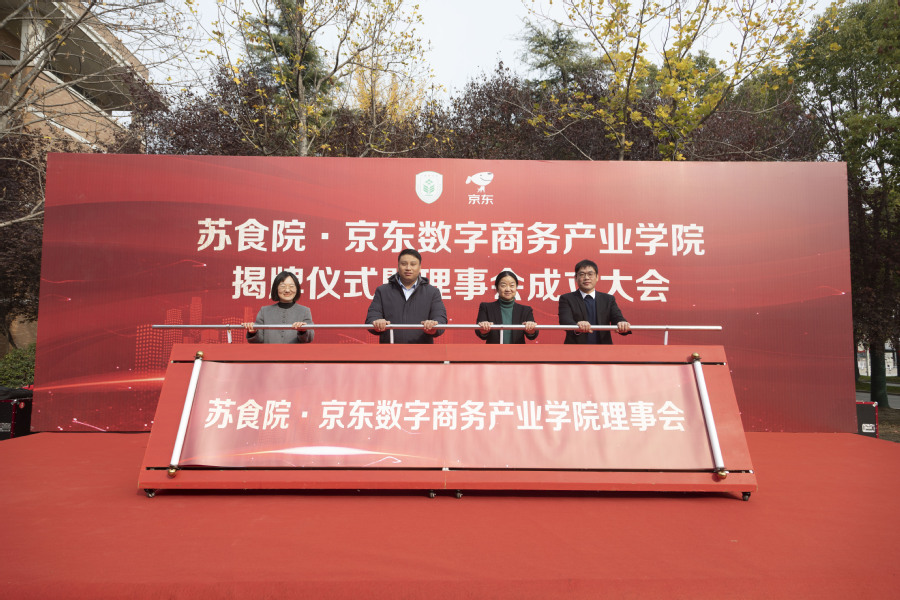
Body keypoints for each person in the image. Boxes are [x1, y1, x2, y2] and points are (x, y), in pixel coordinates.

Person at [366, 249, 447, 344]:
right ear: (398, 266)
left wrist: (433, 327)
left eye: (413, 264)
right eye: (404, 264)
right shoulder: (383, 291)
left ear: (420, 267)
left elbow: (440, 320)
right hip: (390, 350)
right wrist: (377, 323)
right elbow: (371, 318)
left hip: (422, 351)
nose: (408, 268)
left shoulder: (432, 292)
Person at [558, 259, 630, 344]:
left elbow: (617, 317)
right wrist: (577, 326)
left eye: (590, 274)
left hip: (603, 349)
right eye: (582, 274)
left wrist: (622, 324)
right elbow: (565, 320)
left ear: (597, 277)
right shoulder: (567, 298)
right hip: (576, 348)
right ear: (576, 278)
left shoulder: (608, 299)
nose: (586, 278)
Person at [242, 271, 314, 343]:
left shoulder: (304, 311)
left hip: (295, 351)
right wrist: (253, 332)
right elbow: (258, 341)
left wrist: (303, 331)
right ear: (276, 288)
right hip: (269, 350)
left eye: (291, 286)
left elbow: (309, 338)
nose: (287, 290)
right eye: (283, 286)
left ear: (297, 289)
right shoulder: (264, 311)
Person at [475, 271, 538, 344]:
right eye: (503, 285)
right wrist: (484, 329)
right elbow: (479, 333)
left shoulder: (525, 310)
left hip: (517, 351)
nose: (508, 289)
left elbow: (532, 335)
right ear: (497, 288)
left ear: (516, 288)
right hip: (494, 350)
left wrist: (531, 329)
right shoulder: (486, 307)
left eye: (512, 285)